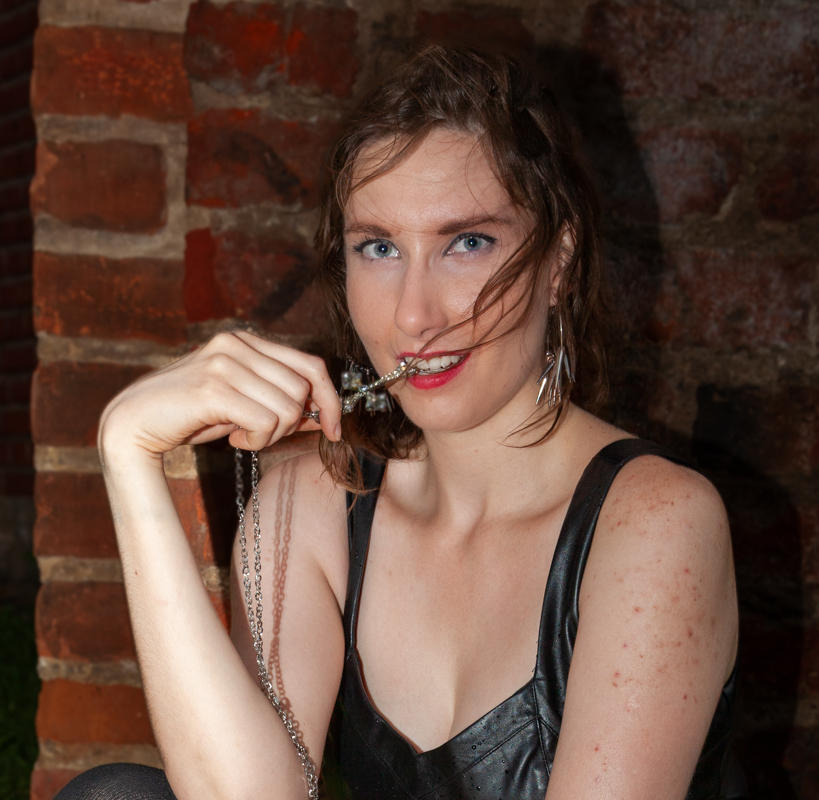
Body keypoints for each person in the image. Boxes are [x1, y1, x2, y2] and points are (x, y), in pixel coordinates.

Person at [56, 44, 745, 800]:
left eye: (467, 243)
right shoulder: (314, 506)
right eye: (379, 248)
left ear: (559, 262)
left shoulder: (656, 522)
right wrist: (128, 455)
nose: (415, 315)